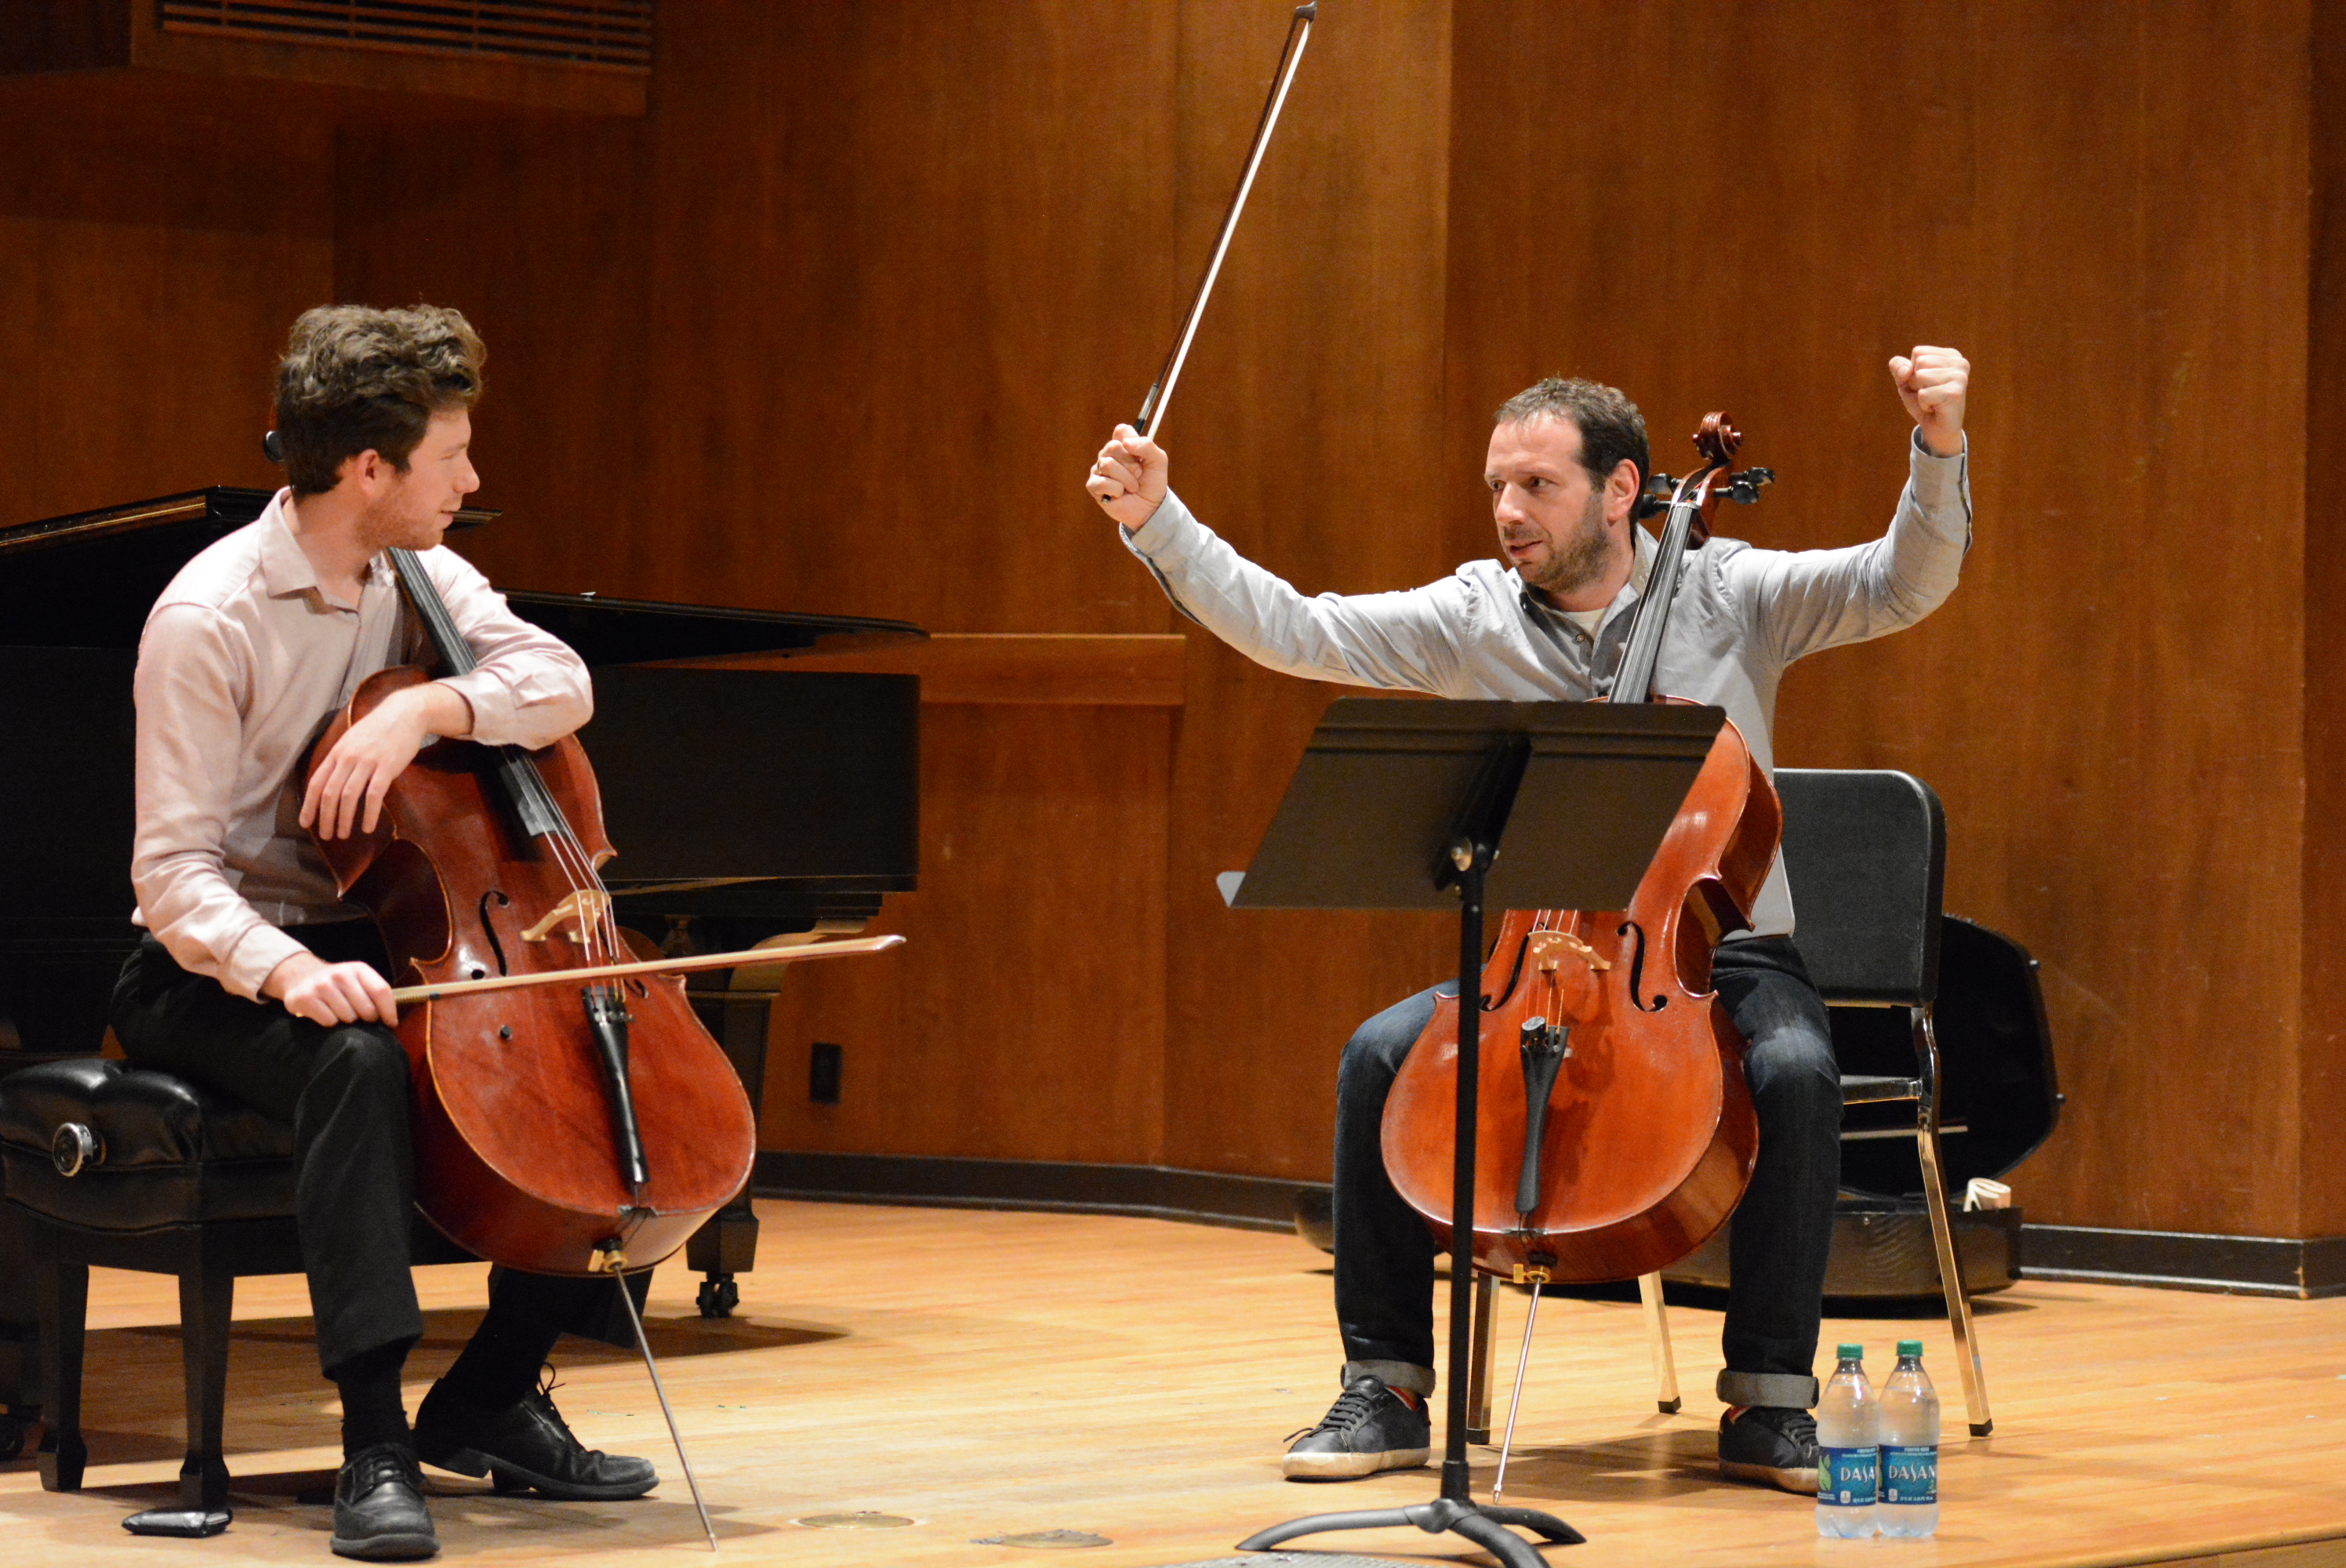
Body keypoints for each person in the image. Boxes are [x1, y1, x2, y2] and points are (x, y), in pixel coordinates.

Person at [1085, 347, 1970, 1494]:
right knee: (1377, 1055)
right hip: (1540, 954)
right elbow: (1293, 628)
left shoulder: (1733, 593)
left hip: (1727, 951)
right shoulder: (1471, 614)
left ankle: (1770, 1401)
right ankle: (1386, 1387)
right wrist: (1158, 522)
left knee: (1796, 1071)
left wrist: (1937, 449)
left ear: (1619, 490)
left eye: (1538, 486)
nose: (1509, 509)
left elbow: (1902, 582)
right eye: (1498, 485)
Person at [115, 304, 657, 1561]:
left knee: (597, 1054)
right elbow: (173, 877)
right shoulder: (208, 619)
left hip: (370, 938)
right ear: (372, 468)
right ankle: (374, 1440)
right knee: (356, 1063)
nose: (470, 481)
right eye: (451, 457)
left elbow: (561, 682)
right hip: (210, 967)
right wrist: (290, 972)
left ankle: (493, 1396)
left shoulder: (422, 574)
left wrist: (424, 713)